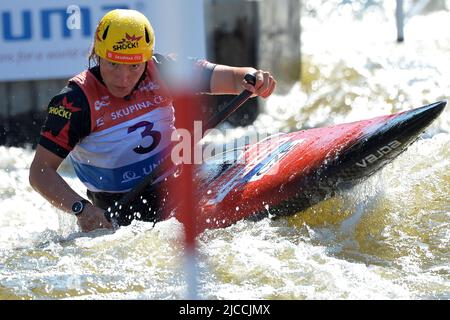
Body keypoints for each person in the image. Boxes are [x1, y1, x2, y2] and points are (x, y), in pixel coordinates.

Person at [29, 9, 276, 232]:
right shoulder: (74, 102)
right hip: (122, 210)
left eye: (134, 67)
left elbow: (232, 78)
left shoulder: (161, 70)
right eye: (113, 65)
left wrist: (253, 77)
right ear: (98, 55)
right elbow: (40, 172)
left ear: (146, 60)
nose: (124, 78)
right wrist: (81, 209)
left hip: (176, 183)